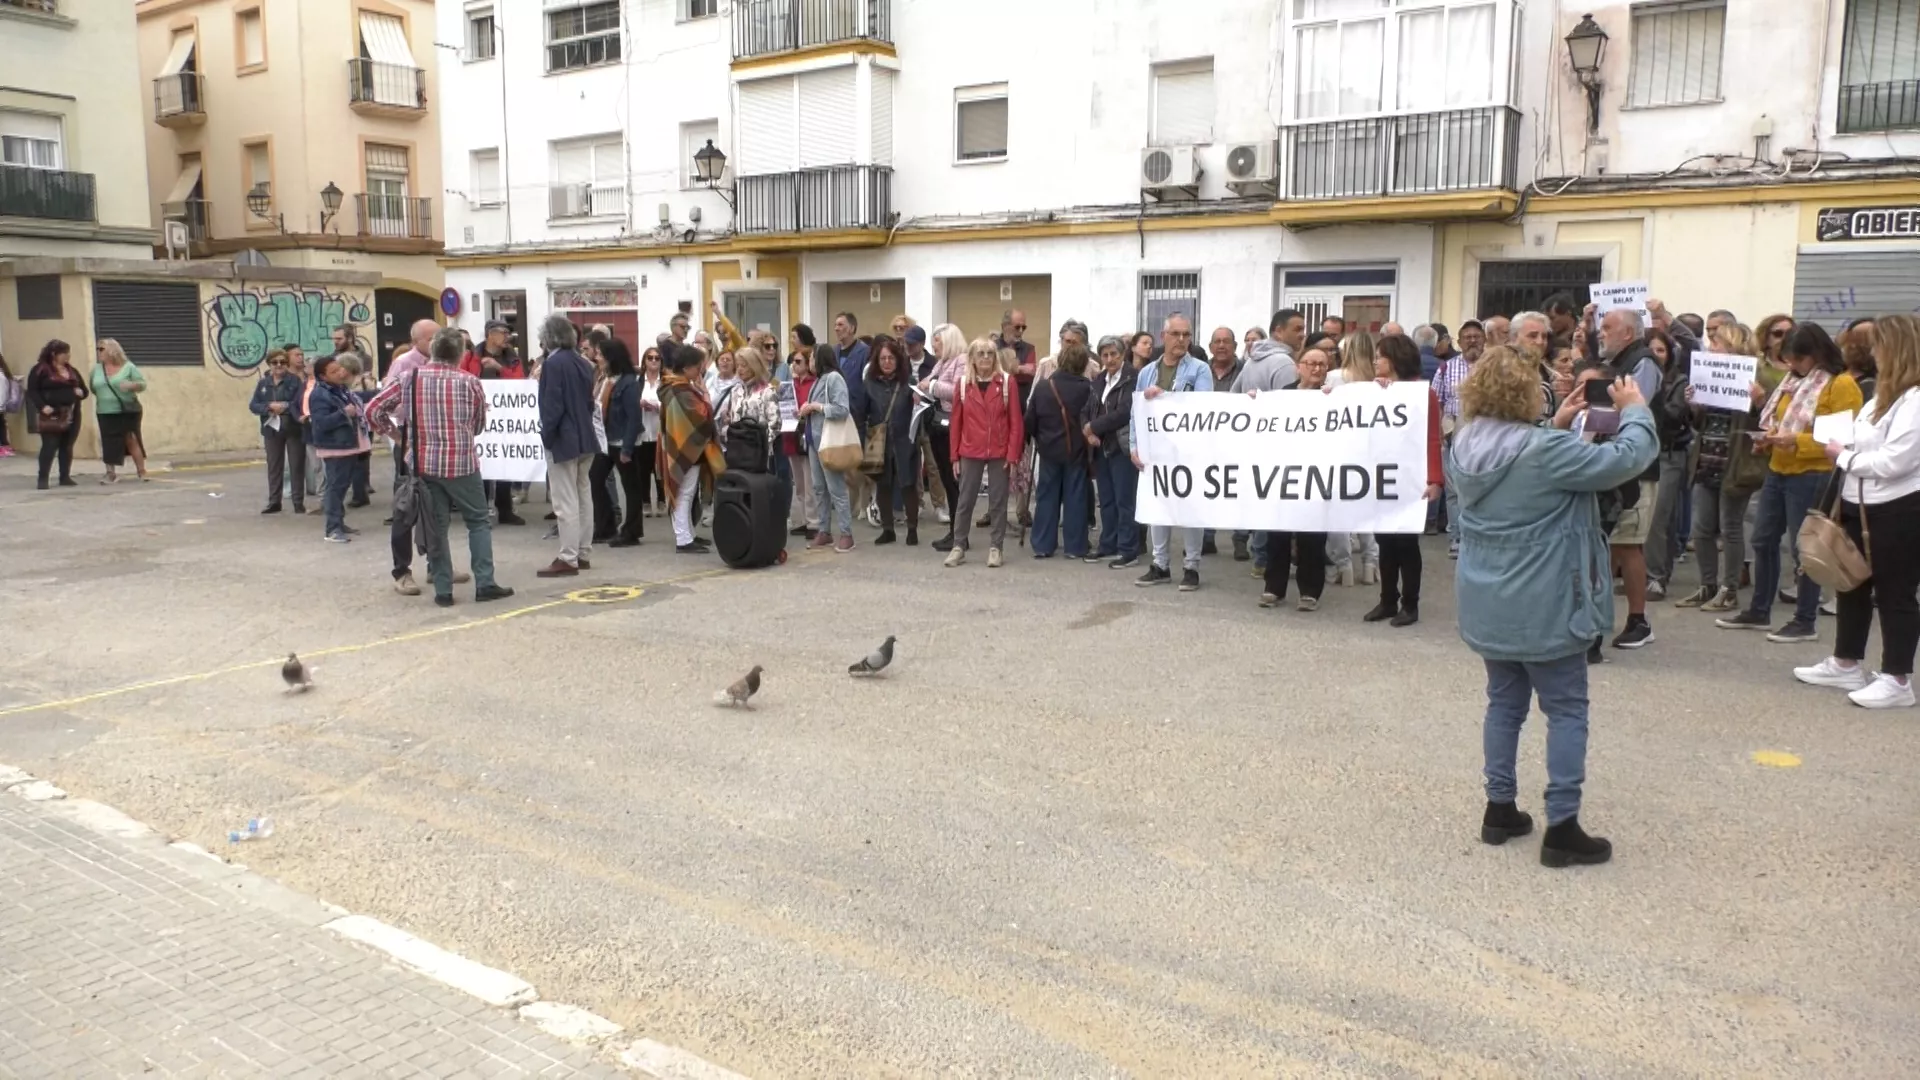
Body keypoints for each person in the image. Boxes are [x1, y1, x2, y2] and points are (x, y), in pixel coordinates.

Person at [1452, 346, 1657, 867]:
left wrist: (1558, 426)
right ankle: (1561, 825)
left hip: (1488, 598)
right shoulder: (1542, 449)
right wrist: (1635, 410)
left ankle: (1500, 807)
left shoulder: (1464, 445)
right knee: (1565, 708)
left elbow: (1523, 470)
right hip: (1546, 599)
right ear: (1530, 394)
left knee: (1504, 703)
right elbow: (1625, 460)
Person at [1797, 314, 1920, 708]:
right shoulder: (1884, 397)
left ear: (1898, 349)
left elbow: (1894, 462)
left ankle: (1897, 678)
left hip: (1897, 508)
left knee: (1895, 592)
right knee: (1851, 582)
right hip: (1859, 502)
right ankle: (1846, 661)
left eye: (1880, 345)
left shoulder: (1915, 401)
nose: (1873, 353)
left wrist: (1843, 455)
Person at [1716, 324, 1863, 640]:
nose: (1792, 366)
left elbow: (1839, 439)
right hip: (1778, 468)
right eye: (1789, 360)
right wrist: (1769, 437)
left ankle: (1805, 619)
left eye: (1798, 359)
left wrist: (1796, 441)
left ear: (1817, 354)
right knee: (1763, 539)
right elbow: (1779, 418)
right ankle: (1759, 610)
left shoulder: (1841, 386)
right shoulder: (1793, 381)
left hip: (1812, 473)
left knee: (1804, 548)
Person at [365, 329, 501, 604]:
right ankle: (485, 583)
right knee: (478, 522)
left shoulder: (409, 378)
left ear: (434, 350)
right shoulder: (470, 382)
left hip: (424, 463)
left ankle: (443, 590)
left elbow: (373, 409)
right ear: (460, 354)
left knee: (436, 526)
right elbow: (478, 425)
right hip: (462, 462)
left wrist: (395, 435)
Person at [1584, 307, 1664, 648]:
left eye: (1607, 328)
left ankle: (1638, 620)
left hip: (1637, 469)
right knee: (1610, 543)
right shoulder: (1623, 361)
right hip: (1616, 464)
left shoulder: (1642, 364)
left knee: (1628, 543)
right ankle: (1598, 617)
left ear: (1628, 334)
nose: (1601, 333)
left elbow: (1633, 409)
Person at [1675, 321, 1765, 613]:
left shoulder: (1753, 376)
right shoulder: (1707, 374)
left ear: (1734, 345)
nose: (1711, 348)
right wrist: (1695, 406)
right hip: (1707, 458)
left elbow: (1767, 421)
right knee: (1702, 529)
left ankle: (1729, 589)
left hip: (1734, 463)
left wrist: (1759, 402)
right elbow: (1700, 423)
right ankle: (1707, 585)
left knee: (1730, 528)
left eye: (1717, 343)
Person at [1358, 334, 1445, 626]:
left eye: (1380, 356)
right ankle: (1387, 600)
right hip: (1381, 477)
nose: (1375, 361)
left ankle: (1410, 603)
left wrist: (1435, 479)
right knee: (1385, 541)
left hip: (1410, 478)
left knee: (1406, 543)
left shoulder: (1422, 394)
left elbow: (1433, 437)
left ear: (1394, 359)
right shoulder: (1376, 391)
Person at [1131, 314, 1213, 591]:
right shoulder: (1146, 372)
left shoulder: (1200, 369)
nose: (1181, 340)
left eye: (1186, 335)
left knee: (1190, 509)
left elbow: (1201, 406)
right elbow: (1137, 413)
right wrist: (1134, 446)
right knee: (1159, 508)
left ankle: (1191, 567)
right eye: (1176, 334)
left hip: (1189, 452)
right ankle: (1160, 564)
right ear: (1163, 336)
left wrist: (1164, 394)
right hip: (1156, 452)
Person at [943, 337, 1025, 568]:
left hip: (999, 451)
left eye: (990, 353)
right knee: (965, 501)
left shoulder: (1007, 383)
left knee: (998, 501)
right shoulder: (962, 385)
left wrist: (1012, 455)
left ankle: (996, 548)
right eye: (980, 353)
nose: (986, 358)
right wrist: (954, 456)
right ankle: (958, 546)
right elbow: (956, 423)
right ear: (972, 358)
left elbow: (1015, 422)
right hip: (970, 450)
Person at [534, 315, 598, 577]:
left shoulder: (553, 363)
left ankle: (568, 556)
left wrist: (547, 435)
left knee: (565, 501)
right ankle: (582, 552)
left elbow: (552, 405)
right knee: (584, 496)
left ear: (549, 338)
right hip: (585, 435)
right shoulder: (583, 363)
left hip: (564, 437)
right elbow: (589, 402)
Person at [1025, 341, 1093, 560]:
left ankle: (1043, 544)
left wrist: (1039, 438)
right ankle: (1075, 546)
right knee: (1075, 497)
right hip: (1076, 450)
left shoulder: (1044, 386)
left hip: (1048, 449)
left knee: (1046, 496)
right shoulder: (1087, 388)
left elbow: (1030, 420)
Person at [656, 344, 725, 554]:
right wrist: (704, 394)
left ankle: (688, 534)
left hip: (681, 445)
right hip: (686, 448)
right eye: (698, 367)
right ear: (686, 368)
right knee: (684, 493)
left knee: (686, 492)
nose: (700, 371)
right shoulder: (680, 390)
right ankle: (683, 539)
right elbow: (702, 415)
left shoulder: (674, 386)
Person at [856, 337, 921, 546]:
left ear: (898, 359)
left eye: (891, 358)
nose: (886, 362)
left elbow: (920, 413)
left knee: (907, 484)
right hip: (877, 438)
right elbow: (860, 411)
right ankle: (888, 529)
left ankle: (912, 529)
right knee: (883, 485)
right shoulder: (869, 383)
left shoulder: (909, 382)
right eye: (883, 358)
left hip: (904, 439)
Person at [1083, 335, 1139, 568]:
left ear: (1122, 354)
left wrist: (1094, 426)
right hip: (1101, 447)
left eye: (1114, 354)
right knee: (1106, 499)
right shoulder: (1098, 380)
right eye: (1105, 355)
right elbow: (1086, 409)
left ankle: (1128, 550)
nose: (1109, 359)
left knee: (1125, 500)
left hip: (1122, 445)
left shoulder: (1132, 378)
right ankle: (1108, 544)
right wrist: (1087, 431)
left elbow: (1125, 411)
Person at [306, 355, 371, 543]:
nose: (339, 373)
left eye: (339, 368)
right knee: (335, 487)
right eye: (333, 371)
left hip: (348, 445)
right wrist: (344, 413)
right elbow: (320, 423)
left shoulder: (340, 389)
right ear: (323, 376)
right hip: (335, 447)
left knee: (342, 486)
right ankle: (332, 528)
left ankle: (339, 522)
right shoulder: (320, 394)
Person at [1435, 320, 1486, 558]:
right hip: (1453, 433)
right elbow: (1436, 401)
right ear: (1459, 341)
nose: (1472, 340)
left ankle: (1479, 536)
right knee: (1453, 490)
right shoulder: (1446, 368)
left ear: (1484, 339)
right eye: (1467, 337)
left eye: (1477, 336)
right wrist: (1439, 432)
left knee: (1481, 487)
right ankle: (1456, 537)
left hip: (1486, 433)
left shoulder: (1492, 367)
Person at [798, 344, 855, 553]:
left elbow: (842, 409)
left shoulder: (833, 378)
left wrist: (815, 407)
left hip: (829, 441)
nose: (809, 361)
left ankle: (846, 533)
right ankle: (824, 530)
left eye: (812, 357)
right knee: (819, 488)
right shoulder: (818, 380)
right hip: (815, 441)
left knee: (836, 488)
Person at [922, 324, 970, 551]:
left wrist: (930, 385)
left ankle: (959, 534)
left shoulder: (962, 360)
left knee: (954, 482)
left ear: (949, 340)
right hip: (938, 427)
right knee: (947, 481)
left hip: (953, 427)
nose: (933, 348)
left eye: (937, 342)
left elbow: (959, 391)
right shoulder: (942, 362)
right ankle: (955, 531)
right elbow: (929, 382)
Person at [26, 340, 88, 489]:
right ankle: (43, 478)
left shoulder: (72, 371)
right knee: (50, 445)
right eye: (64, 353)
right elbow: (33, 391)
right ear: (54, 354)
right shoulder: (40, 370)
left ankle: (65, 476)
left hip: (71, 412)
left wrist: (80, 393)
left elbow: (84, 390)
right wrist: (42, 406)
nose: (67, 356)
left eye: (68, 353)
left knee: (67, 445)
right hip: (51, 414)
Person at [250, 349, 307, 513]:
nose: (279, 365)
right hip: (271, 429)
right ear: (269, 365)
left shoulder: (294, 381)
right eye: (275, 362)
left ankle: (298, 502)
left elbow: (299, 402)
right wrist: (268, 407)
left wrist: (285, 406)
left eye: (282, 362)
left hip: (293, 428)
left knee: (296, 466)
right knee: (274, 466)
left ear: (287, 364)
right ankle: (274, 501)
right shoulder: (263, 384)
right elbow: (253, 405)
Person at [88, 339, 149, 483]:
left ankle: (142, 471)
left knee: (131, 439)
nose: (98, 352)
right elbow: (93, 388)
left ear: (112, 350)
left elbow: (142, 385)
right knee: (108, 441)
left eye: (101, 349)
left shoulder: (128, 367)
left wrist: (131, 385)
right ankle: (110, 473)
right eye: (97, 349)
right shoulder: (97, 369)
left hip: (126, 409)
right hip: (104, 410)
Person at [783, 346, 817, 538]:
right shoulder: (789, 385)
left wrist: (805, 410)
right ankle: (803, 520)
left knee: (810, 481)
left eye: (798, 362)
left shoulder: (814, 384)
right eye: (793, 362)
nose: (794, 366)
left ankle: (814, 522)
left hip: (806, 433)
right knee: (799, 483)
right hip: (791, 434)